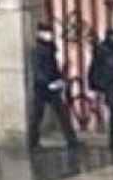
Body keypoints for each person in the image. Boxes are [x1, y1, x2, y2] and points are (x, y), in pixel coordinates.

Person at [27, 22, 78, 151]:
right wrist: (50, 83)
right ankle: (33, 143)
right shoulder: (38, 50)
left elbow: (53, 68)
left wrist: (59, 79)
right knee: (37, 116)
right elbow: (39, 71)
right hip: (42, 87)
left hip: (51, 86)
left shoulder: (50, 48)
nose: (49, 35)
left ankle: (72, 141)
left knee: (62, 114)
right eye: (46, 32)